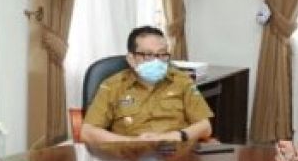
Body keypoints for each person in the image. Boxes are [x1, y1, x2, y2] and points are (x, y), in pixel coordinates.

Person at [79, 26, 213, 144]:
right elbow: (88, 132)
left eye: (162, 54)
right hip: (129, 157)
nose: (157, 60)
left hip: (176, 154)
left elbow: (205, 127)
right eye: (148, 55)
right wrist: (133, 142)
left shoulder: (182, 81)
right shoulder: (112, 86)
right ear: (131, 59)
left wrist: (175, 136)